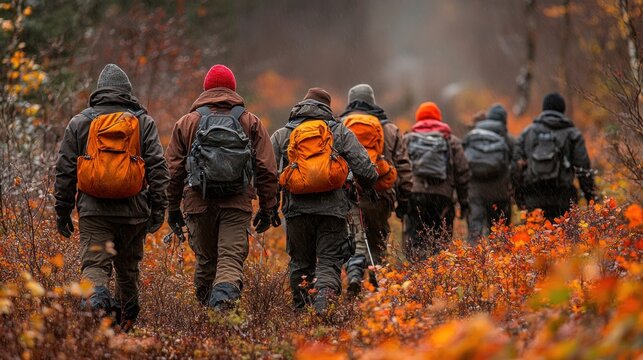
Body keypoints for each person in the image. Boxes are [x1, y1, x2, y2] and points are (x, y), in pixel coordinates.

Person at [54, 64, 169, 331]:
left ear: (99, 91)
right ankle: (125, 325)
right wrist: (158, 208)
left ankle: (97, 306)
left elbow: (65, 170)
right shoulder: (142, 122)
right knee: (128, 270)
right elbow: (158, 167)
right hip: (134, 212)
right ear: (127, 92)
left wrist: (62, 210)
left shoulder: (80, 122)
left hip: (94, 211)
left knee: (95, 265)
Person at [165, 64, 279, 310]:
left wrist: (173, 208)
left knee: (206, 260)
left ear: (206, 89)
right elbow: (267, 169)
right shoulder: (250, 122)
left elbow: (172, 171)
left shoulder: (187, 122)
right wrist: (268, 208)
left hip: (198, 202)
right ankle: (223, 308)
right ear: (233, 89)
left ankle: (208, 313)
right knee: (229, 259)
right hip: (235, 204)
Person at [271, 88, 377, 314]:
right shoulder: (339, 131)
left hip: (296, 212)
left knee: (300, 263)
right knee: (329, 261)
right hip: (333, 211)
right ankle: (323, 306)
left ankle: (301, 314)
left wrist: (269, 207)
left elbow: (267, 174)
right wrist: (368, 186)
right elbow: (366, 170)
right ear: (327, 108)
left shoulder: (282, 134)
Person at [339, 84, 413, 295]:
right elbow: (404, 166)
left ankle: (354, 277)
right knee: (377, 242)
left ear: (350, 100)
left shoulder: (340, 126)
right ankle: (376, 287)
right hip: (380, 195)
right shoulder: (390, 129)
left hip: (349, 194)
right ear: (372, 100)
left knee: (353, 241)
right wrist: (404, 199)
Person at [513, 92, 596, 220]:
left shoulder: (528, 132)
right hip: (563, 198)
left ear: (544, 109)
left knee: (535, 237)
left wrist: (519, 198)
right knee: (563, 236)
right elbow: (583, 167)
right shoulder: (573, 134)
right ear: (563, 110)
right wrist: (591, 198)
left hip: (533, 197)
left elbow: (516, 166)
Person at [404, 101, 470, 260]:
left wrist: (401, 201)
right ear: (438, 118)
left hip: (416, 196)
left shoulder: (408, 139)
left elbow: (401, 170)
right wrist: (464, 202)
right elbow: (462, 173)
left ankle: (415, 277)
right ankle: (438, 277)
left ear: (418, 118)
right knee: (440, 242)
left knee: (415, 239)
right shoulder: (451, 140)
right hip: (443, 199)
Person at [464, 104, 515, 244]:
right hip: (500, 192)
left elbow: (463, 163)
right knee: (499, 233)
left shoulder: (471, 136)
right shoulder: (507, 138)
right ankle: (499, 260)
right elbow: (516, 166)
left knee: (475, 231)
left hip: (475, 191)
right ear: (504, 120)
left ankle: (473, 261)